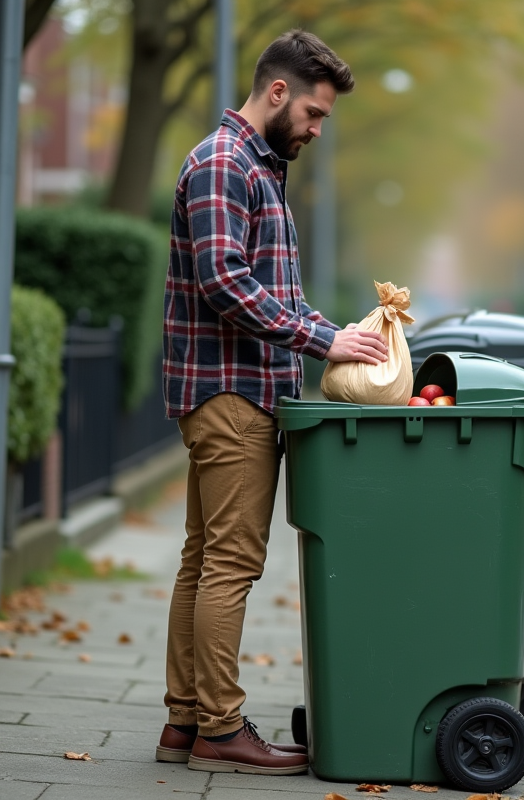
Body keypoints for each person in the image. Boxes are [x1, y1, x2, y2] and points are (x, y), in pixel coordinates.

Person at [155, 29, 387, 775]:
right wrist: (323, 340)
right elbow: (225, 284)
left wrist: (331, 331)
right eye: (315, 114)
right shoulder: (225, 164)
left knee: (203, 560)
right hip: (232, 394)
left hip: (236, 389)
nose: (317, 130)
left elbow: (269, 290)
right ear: (278, 92)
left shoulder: (255, 168)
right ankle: (221, 729)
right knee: (230, 564)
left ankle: (185, 724)